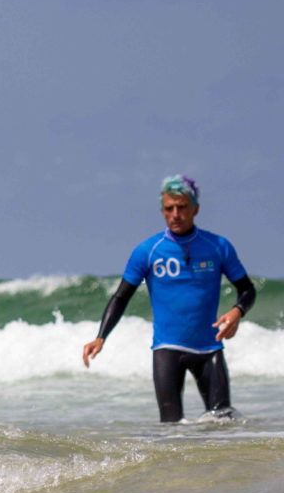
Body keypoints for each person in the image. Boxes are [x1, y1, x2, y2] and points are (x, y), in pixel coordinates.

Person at [82, 175, 257, 422]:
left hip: (209, 349)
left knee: (223, 423)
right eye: (169, 208)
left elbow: (248, 289)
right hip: (167, 350)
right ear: (162, 211)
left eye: (182, 207)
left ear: (195, 208)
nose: (176, 214)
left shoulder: (218, 246)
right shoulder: (148, 250)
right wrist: (101, 336)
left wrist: (237, 311)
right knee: (171, 429)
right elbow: (121, 296)